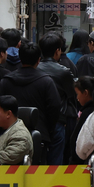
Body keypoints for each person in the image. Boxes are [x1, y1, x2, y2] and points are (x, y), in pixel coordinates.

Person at [0, 42, 61, 151]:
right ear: (38, 60)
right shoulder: (46, 81)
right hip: (39, 134)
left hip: (10, 134)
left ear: (20, 58)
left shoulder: (6, 81)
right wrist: (48, 128)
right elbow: (55, 106)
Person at [38, 32, 78, 164]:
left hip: (38, 119)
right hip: (58, 119)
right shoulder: (63, 71)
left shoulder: (35, 69)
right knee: (56, 159)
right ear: (57, 51)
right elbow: (72, 94)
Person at [69, 76, 94, 164]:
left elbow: (80, 140)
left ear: (85, 93)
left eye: (78, 94)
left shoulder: (88, 112)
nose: (77, 98)